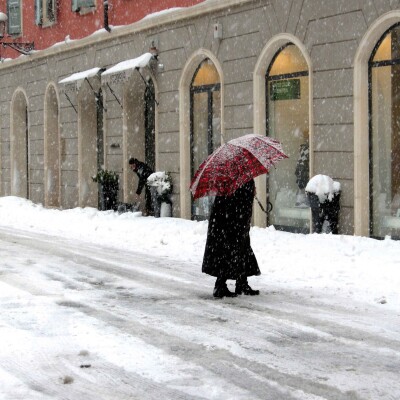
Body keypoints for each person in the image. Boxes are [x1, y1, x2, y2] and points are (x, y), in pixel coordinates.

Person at [202, 179, 261, 298]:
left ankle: (241, 283)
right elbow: (234, 199)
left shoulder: (241, 176)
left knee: (242, 249)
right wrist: (248, 191)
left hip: (236, 219)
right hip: (230, 220)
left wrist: (250, 191)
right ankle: (220, 285)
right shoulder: (233, 177)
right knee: (230, 250)